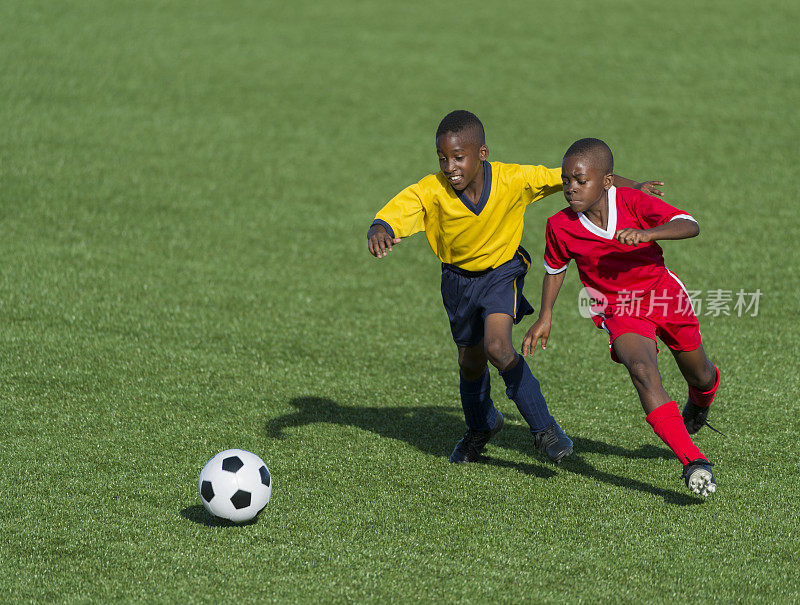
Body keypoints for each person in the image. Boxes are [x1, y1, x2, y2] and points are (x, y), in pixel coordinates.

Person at [367, 111, 662, 465]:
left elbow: (577, 178)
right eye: (442, 158)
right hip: (458, 282)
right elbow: (397, 211)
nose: (449, 166)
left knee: (497, 346)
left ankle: (546, 430)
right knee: (470, 362)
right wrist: (379, 228)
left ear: (482, 153)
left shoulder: (513, 179)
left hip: (501, 272)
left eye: (458, 157)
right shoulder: (431, 190)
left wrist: (632, 186)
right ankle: (483, 426)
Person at [522, 137, 720, 496]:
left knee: (701, 373)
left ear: (607, 181)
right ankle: (694, 461)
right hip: (619, 310)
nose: (570, 188)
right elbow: (554, 268)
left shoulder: (631, 201)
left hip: (664, 296)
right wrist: (545, 315)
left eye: (580, 180)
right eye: (566, 180)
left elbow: (690, 224)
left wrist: (648, 233)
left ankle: (700, 402)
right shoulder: (560, 225)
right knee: (642, 370)